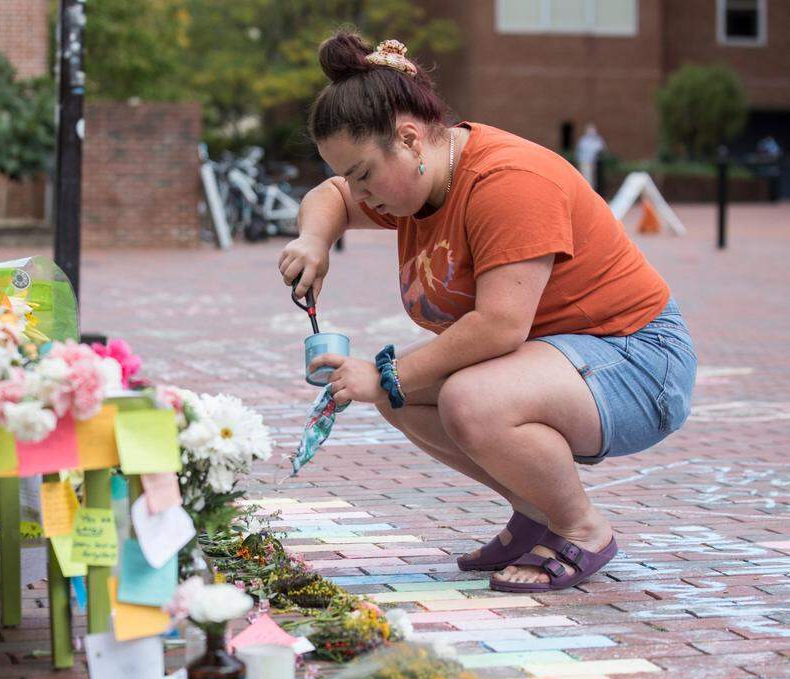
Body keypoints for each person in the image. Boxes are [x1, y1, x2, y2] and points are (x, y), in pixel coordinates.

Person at [278, 33, 697, 592]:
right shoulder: (415, 182)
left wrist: (384, 372)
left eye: (364, 175)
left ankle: (581, 528)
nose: (359, 192)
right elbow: (328, 195)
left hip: (639, 361)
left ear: (408, 139)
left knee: (463, 398)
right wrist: (314, 241)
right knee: (400, 398)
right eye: (352, 177)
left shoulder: (507, 183)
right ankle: (537, 514)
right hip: (560, 358)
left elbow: (501, 326)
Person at [574, 123, 606, 192]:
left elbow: (601, 149)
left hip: (595, 163)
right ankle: (586, 192)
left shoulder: (597, 140)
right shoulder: (583, 140)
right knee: (586, 178)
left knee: (593, 179)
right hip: (584, 162)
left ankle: (592, 193)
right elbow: (578, 151)